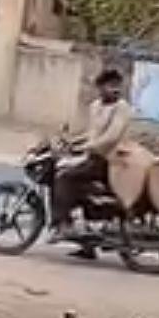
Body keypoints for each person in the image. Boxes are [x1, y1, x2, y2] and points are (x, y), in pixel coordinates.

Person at [49, 69, 133, 244]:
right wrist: (72, 141)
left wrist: (85, 147)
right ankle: (86, 242)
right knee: (68, 174)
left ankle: (63, 224)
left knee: (64, 177)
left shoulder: (122, 108)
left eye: (117, 86)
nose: (115, 90)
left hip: (110, 161)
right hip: (93, 157)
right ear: (100, 87)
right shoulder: (95, 106)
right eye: (111, 86)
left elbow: (112, 136)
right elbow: (92, 132)